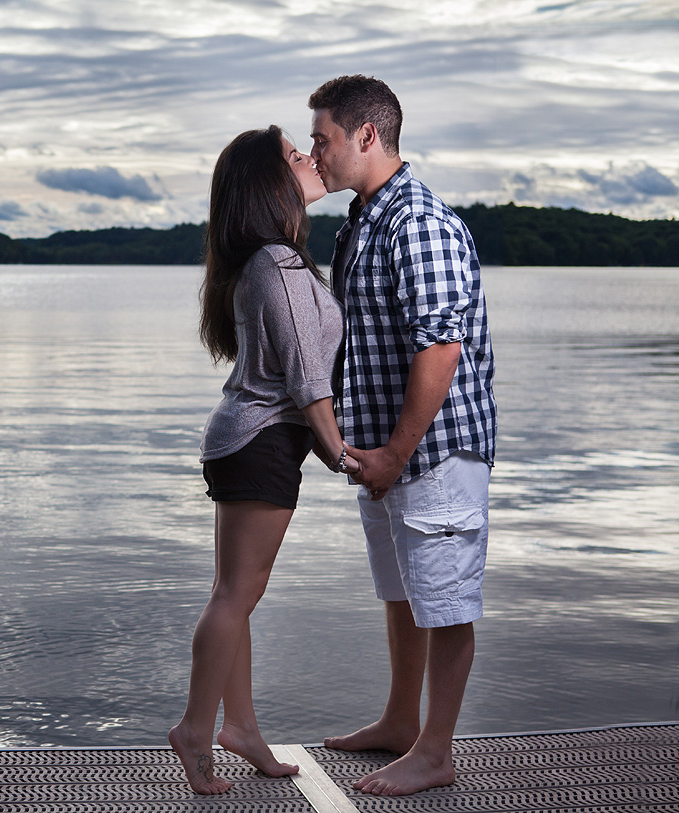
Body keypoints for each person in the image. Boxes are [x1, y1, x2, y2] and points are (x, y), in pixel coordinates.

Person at [307, 75, 497, 796]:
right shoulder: (362, 221)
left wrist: (396, 451)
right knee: (404, 591)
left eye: (323, 139)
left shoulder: (416, 221)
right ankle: (398, 719)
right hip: (389, 453)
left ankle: (435, 750)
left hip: (435, 450)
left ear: (367, 136)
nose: (317, 154)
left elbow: (439, 348)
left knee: (444, 600)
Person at [168, 125, 360, 795]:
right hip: (261, 443)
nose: (307, 158)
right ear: (267, 184)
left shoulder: (267, 261)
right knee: (234, 596)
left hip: (244, 439)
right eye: (292, 155)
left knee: (236, 596)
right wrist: (343, 454)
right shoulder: (276, 265)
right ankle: (196, 728)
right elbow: (309, 377)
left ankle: (241, 727)